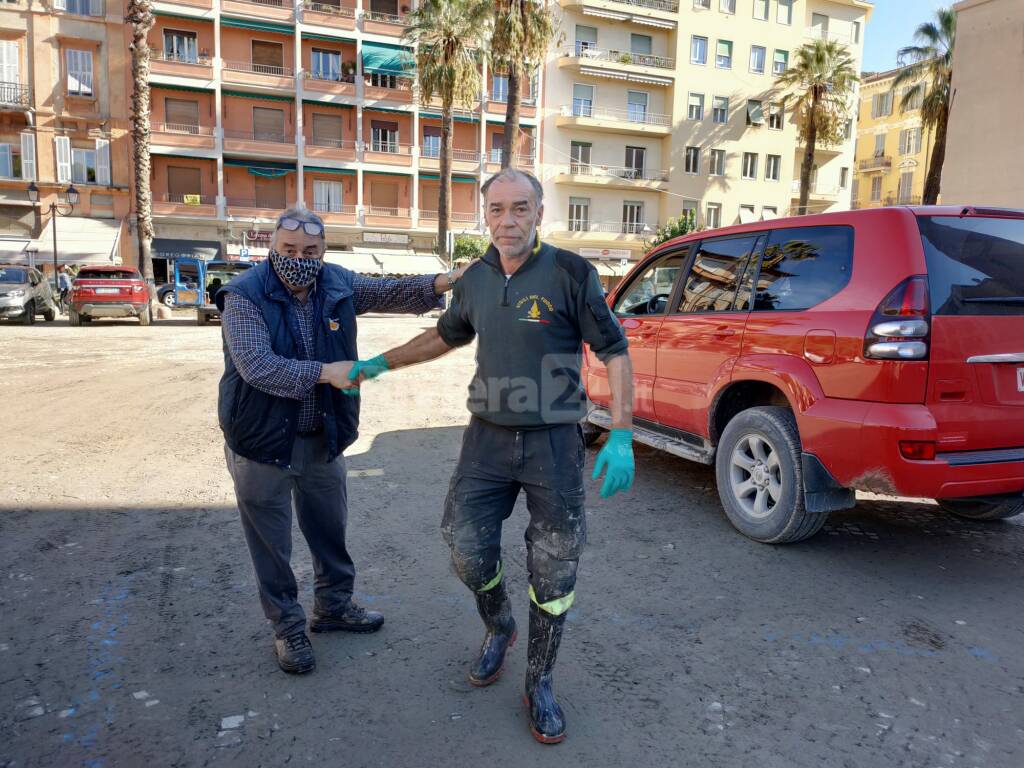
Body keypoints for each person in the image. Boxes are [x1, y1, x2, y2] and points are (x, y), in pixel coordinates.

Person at [347, 168, 635, 743]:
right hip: (486, 437)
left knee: (555, 568)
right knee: (465, 546)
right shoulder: (475, 277)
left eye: (521, 208)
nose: (508, 220)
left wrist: (622, 432)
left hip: (554, 441)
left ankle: (541, 680)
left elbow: (615, 350)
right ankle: (500, 625)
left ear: (539, 212)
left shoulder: (571, 273)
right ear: (486, 215)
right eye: (498, 209)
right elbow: (445, 335)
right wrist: (377, 364)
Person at [217, 206, 464, 675]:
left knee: (330, 529)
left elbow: (391, 290)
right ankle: (287, 626)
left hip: (321, 435)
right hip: (260, 440)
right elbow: (257, 366)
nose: (299, 259)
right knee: (270, 543)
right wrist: (326, 373)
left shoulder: (337, 281)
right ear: (272, 246)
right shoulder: (244, 294)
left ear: (324, 250)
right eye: (288, 250)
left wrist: (446, 281)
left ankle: (333, 606)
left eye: (310, 250)